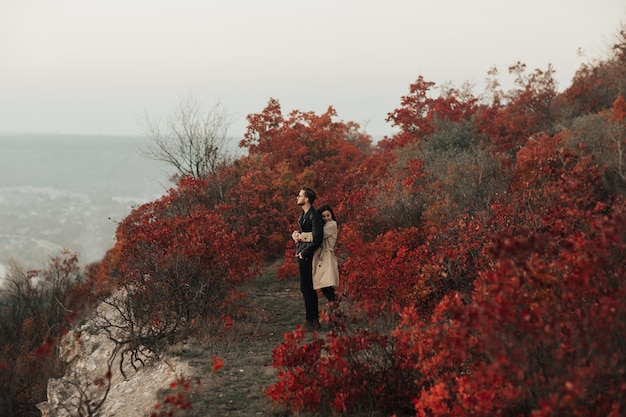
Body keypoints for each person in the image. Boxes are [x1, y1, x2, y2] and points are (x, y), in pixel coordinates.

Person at [291, 187, 324, 331]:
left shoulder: (313, 215)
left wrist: (304, 253)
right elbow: (306, 234)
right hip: (303, 254)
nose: (297, 197)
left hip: (308, 256)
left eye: (300, 195)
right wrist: (296, 235)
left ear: (306, 199)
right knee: (306, 288)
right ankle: (313, 320)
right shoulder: (304, 215)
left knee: (307, 288)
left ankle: (311, 320)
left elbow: (317, 239)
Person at [312, 204, 339, 306]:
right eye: (323, 216)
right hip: (323, 257)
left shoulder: (331, 225)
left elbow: (316, 236)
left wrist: (300, 236)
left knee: (326, 286)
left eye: (328, 215)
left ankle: (336, 312)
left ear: (332, 215)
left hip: (326, 258)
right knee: (326, 287)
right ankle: (335, 312)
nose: (326, 218)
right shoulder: (325, 226)